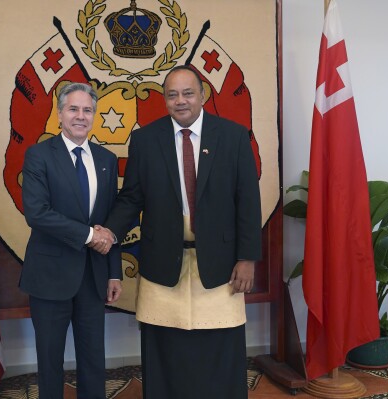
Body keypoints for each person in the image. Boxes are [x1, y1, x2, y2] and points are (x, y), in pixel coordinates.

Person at [102, 65, 262, 398]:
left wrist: (247, 258)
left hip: (220, 264)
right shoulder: (146, 139)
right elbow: (132, 197)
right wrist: (108, 232)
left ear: (203, 95)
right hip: (164, 263)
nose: (181, 101)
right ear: (164, 100)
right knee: (166, 349)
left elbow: (247, 201)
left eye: (188, 93)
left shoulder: (233, 136)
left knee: (220, 347)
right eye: (172, 94)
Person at [19, 82, 122, 399]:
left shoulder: (106, 159)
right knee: (50, 361)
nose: (81, 116)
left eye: (87, 110)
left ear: (94, 115)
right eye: (73, 109)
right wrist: (90, 236)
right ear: (60, 114)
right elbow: (37, 213)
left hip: (93, 277)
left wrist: (114, 271)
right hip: (50, 277)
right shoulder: (38, 155)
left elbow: (109, 222)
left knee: (94, 359)